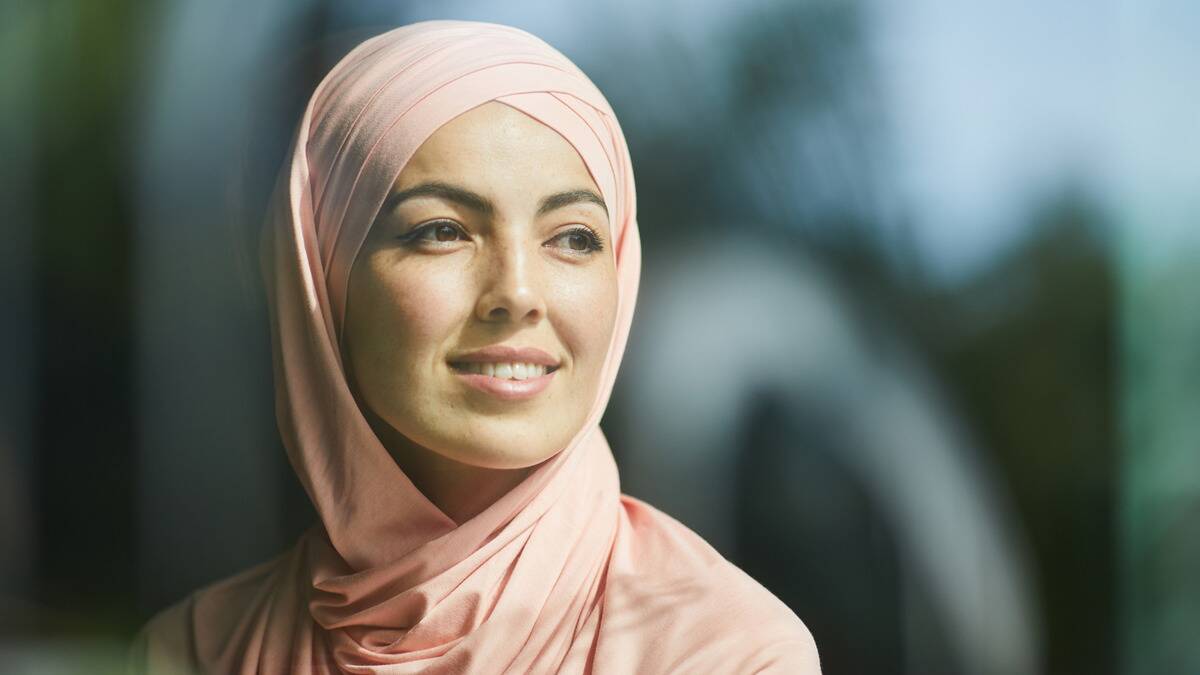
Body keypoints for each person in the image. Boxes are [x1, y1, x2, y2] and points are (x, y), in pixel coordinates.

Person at [128, 19, 821, 674]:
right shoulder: (195, 650)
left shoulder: (723, 652)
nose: (517, 292)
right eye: (442, 230)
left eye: (573, 238)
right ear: (321, 272)